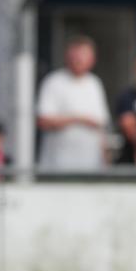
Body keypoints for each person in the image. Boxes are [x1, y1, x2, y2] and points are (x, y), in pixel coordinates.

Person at [36, 36, 110, 171]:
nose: (79, 60)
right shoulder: (54, 81)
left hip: (91, 166)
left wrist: (105, 163)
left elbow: (101, 126)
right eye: (76, 55)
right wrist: (79, 119)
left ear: (92, 59)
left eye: (84, 56)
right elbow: (43, 120)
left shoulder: (94, 84)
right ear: (68, 57)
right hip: (58, 167)